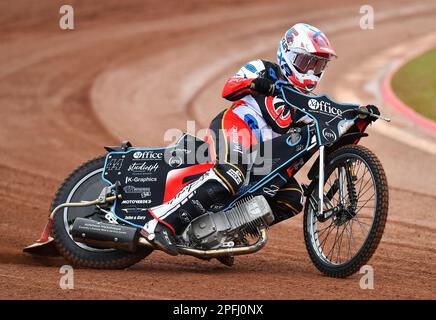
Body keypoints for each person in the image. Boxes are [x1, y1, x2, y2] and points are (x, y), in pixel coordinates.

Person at [140, 23, 377, 256]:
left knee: (292, 197)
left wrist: (358, 119)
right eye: (307, 62)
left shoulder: (309, 104)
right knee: (232, 172)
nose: (312, 70)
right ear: (289, 55)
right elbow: (228, 89)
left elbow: (330, 144)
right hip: (235, 127)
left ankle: (225, 234)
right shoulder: (264, 69)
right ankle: (158, 224)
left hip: (262, 157)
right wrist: (256, 84)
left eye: (318, 65)